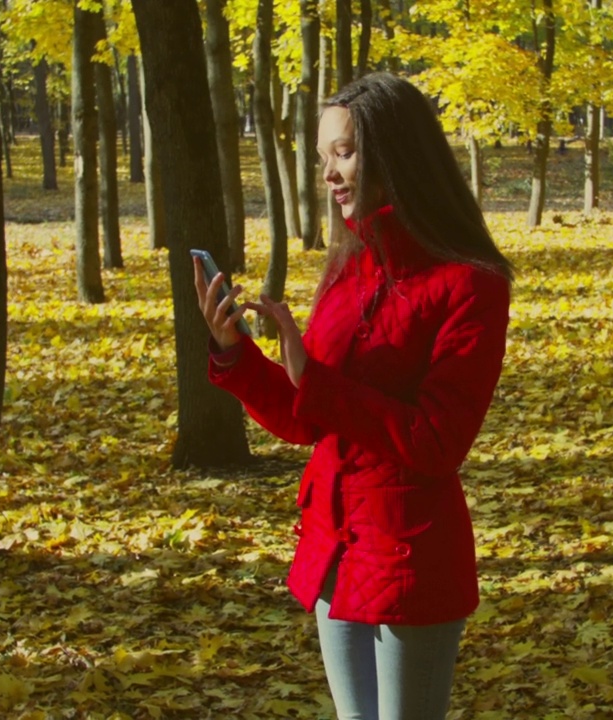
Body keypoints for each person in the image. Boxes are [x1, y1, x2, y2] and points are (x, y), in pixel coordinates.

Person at [194, 72, 512, 720]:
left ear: (395, 155)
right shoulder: (347, 269)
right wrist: (237, 355)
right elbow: (304, 416)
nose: (331, 174)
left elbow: (436, 440)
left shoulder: (470, 285)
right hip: (333, 544)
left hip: (410, 556)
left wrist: (316, 380)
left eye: (345, 153)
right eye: (323, 159)